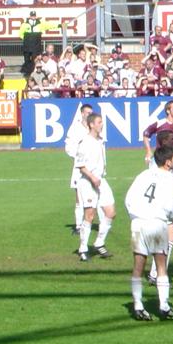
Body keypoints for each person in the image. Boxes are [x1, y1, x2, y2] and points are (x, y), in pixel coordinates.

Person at [124, 146, 173, 321]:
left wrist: (135, 216)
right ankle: (164, 306)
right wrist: (169, 217)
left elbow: (128, 199)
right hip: (157, 223)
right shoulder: (172, 180)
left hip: (138, 222)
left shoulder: (143, 175)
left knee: (138, 266)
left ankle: (138, 306)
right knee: (161, 265)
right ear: (168, 162)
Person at [141, 99, 173, 282]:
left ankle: (156, 274)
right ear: (168, 110)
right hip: (160, 161)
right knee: (166, 239)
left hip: (171, 161)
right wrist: (148, 151)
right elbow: (146, 134)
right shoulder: (159, 123)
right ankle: (157, 275)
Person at [74, 112, 115, 262]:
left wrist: (98, 178)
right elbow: (80, 165)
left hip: (101, 180)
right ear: (91, 124)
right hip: (88, 181)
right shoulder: (85, 142)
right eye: (98, 122)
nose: (101, 124)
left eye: (101, 122)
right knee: (89, 215)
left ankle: (99, 243)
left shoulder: (100, 140)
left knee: (110, 212)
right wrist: (92, 177)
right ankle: (83, 248)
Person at [63, 102, 94, 235]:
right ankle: (78, 225)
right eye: (87, 113)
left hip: (93, 167)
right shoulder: (75, 128)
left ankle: (89, 222)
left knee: (94, 196)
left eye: (91, 113)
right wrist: (78, 157)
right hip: (79, 167)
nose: (89, 115)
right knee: (78, 197)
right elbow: (68, 146)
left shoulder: (93, 128)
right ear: (82, 113)